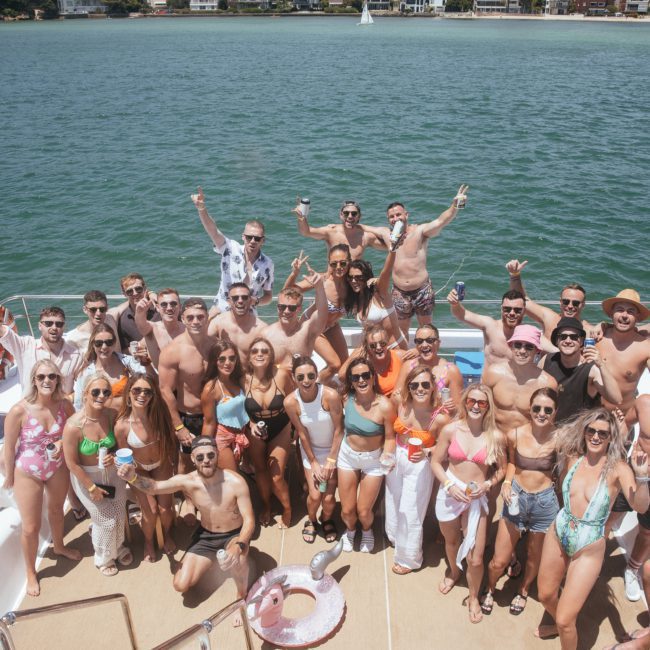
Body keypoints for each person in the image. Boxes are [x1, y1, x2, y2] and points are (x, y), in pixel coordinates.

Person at [535, 408, 649, 649]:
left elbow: (640, 506)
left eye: (604, 434)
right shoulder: (573, 457)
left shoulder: (618, 468)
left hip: (588, 545)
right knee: (545, 595)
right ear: (584, 432)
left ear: (611, 438)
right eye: (592, 431)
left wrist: (641, 478)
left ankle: (563, 627)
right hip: (560, 529)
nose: (596, 437)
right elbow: (553, 430)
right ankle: (559, 625)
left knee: (567, 620)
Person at [116, 436, 254, 624]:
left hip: (233, 535)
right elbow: (155, 488)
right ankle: (213, 559)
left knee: (239, 559)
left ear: (217, 455)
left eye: (210, 455)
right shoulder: (188, 481)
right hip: (206, 536)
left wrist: (238, 546)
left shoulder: (235, 482)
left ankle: (241, 599)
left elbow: (249, 521)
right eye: (200, 457)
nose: (206, 460)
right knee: (180, 585)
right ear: (193, 459)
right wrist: (131, 476)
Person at [2, 361, 81, 596]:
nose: (47, 381)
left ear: (57, 379)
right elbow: (8, 445)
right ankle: (30, 572)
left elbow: (74, 428)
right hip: (28, 470)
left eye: (52, 376)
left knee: (57, 510)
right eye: (41, 377)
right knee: (30, 527)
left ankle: (59, 546)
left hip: (56, 466)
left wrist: (59, 443)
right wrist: (8, 477)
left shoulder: (64, 404)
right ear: (34, 381)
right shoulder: (19, 410)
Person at [482, 388, 560, 617]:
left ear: (555, 412)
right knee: (498, 561)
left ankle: (524, 590)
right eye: (537, 408)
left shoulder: (561, 438)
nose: (542, 413)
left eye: (548, 409)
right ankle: (490, 588)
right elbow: (512, 464)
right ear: (530, 409)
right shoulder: (514, 434)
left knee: (534, 557)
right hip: (516, 498)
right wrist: (506, 484)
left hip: (545, 504)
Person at [431, 384, 505, 624]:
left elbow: (502, 469)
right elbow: (435, 462)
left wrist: (488, 484)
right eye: (471, 401)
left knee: (476, 557)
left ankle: (473, 597)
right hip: (450, 491)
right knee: (451, 541)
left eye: (482, 403)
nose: (475, 406)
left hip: (476, 497)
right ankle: (454, 572)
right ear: (464, 402)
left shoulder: (495, 436)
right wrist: (449, 485)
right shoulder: (450, 430)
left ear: (488, 407)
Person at [366, 186, 468, 336]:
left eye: (398, 215)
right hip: (399, 293)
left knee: (426, 330)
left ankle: (426, 357)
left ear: (406, 215)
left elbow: (441, 221)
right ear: (388, 219)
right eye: (391, 217)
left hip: (422, 290)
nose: (395, 219)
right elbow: (362, 228)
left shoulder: (420, 231)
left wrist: (454, 206)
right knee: (401, 331)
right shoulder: (386, 234)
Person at [63, 373, 131, 576]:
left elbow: (119, 442)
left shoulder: (111, 415)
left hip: (112, 474)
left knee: (119, 513)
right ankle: (103, 557)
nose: (101, 395)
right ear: (85, 394)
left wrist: (112, 455)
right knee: (107, 520)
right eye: (96, 391)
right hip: (87, 478)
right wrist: (91, 488)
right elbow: (71, 463)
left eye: (106, 392)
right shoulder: (73, 426)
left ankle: (117, 548)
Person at [385, 365, 450, 574]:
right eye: (414, 385)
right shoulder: (400, 404)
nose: (420, 389)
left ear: (433, 387)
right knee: (393, 501)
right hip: (396, 457)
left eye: (425, 384)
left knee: (411, 509)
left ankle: (409, 558)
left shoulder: (439, 417)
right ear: (408, 387)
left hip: (420, 463)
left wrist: (428, 451)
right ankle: (395, 537)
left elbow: (447, 448)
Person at [114, 373, 177, 561]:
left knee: (165, 509)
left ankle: (166, 535)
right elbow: (125, 458)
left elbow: (170, 441)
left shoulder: (159, 415)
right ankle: (148, 541)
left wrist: (172, 464)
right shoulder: (122, 426)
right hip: (139, 469)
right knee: (150, 510)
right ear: (128, 394)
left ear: (153, 396)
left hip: (161, 464)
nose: (142, 395)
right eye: (137, 390)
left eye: (147, 392)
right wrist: (131, 477)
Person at [338, 358, 396, 554]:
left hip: (373, 461)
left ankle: (367, 530)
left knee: (363, 511)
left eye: (365, 375)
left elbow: (389, 437)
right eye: (355, 377)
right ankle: (350, 531)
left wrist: (387, 457)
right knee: (347, 510)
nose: (361, 380)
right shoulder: (346, 398)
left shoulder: (385, 406)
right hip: (347, 456)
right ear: (351, 381)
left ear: (373, 378)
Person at [284, 356, 344, 544]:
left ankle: (326, 519)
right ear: (293, 378)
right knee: (315, 495)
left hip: (335, 450)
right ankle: (311, 520)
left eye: (311, 375)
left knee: (328, 499)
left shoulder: (330, 396)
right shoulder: (290, 402)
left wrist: (330, 461)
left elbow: (339, 430)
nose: (306, 381)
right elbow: (302, 434)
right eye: (300, 377)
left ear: (317, 375)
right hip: (312, 451)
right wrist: (314, 462)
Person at [191, 186, 274, 312]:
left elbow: (268, 296)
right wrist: (202, 209)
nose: (252, 241)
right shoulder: (230, 248)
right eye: (249, 237)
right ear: (243, 237)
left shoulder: (267, 264)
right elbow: (213, 231)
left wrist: (255, 301)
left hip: (248, 316)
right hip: (222, 310)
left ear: (263, 240)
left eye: (257, 238)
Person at [159, 298, 213, 479]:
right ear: (183, 318)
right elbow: (165, 390)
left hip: (214, 415)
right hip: (189, 417)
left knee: (213, 459)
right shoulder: (173, 351)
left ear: (207, 318)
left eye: (200, 317)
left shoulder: (216, 346)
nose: (195, 321)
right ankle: (188, 500)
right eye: (190, 318)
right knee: (186, 460)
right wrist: (179, 426)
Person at [243, 337, 294, 528]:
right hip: (255, 429)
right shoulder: (243, 379)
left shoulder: (280, 375)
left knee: (277, 476)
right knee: (261, 471)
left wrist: (295, 428)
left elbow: (292, 400)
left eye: (264, 351)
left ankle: (287, 508)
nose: (260, 354)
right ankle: (266, 505)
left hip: (280, 427)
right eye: (255, 351)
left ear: (271, 355)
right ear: (249, 356)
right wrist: (250, 423)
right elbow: (238, 406)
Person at [283, 246, 351, 385]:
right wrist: (294, 273)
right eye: (334, 263)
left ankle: (326, 384)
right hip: (312, 327)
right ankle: (313, 387)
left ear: (349, 261)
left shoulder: (352, 283)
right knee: (335, 365)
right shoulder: (322, 280)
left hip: (331, 326)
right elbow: (288, 292)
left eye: (343, 263)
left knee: (345, 365)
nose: (338, 267)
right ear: (329, 263)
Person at [542, 316, 621, 424]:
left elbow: (616, 399)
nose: (568, 341)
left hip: (578, 432)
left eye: (574, 337)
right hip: (551, 427)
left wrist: (601, 365)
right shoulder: (547, 360)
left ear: (582, 341)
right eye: (563, 336)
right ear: (557, 340)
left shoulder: (591, 369)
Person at [448, 288, 549, 371]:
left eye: (517, 310)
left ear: (524, 311)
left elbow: (554, 351)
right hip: (489, 386)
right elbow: (462, 314)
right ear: (501, 309)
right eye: (507, 309)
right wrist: (455, 304)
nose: (512, 313)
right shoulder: (490, 326)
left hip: (514, 386)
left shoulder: (530, 334)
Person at [483, 324, 558, 432]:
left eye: (529, 347)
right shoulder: (494, 373)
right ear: (511, 346)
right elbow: (480, 406)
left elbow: (550, 420)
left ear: (537, 350)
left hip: (525, 443)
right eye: (518, 345)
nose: (522, 351)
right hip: (496, 438)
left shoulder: (547, 383)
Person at [0, 306, 83, 396]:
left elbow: (85, 386)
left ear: (64, 327)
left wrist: (69, 399)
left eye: (59, 324)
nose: (54, 327)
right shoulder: (25, 346)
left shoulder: (75, 355)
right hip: (30, 408)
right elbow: (6, 334)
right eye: (48, 323)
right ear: (40, 326)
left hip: (61, 408)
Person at [596, 289, 650, 427]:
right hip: (593, 416)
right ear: (612, 313)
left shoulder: (645, 348)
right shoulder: (597, 338)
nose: (624, 315)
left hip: (623, 421)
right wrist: (601, 325)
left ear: (637, 317)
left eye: (631, 311)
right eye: (620, 310)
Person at [616, 393, 650, 603]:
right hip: (634, 472)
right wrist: (616, 454)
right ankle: (588, 559)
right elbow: (626, 423)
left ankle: (632, 569)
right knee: (610, 515)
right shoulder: (644, 402)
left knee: (647, 533)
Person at [506, 260, 593, 339]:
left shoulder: (589, 331)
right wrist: (515, 275)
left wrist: (603, 324)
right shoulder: (549, 319)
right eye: (566, 302)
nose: (570, 306)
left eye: (576, 303)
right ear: (560, 302)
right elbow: (523, 301)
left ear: (583, 305)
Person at [261, 270, 328, 369]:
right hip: (275, 382)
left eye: (292, 308)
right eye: (282, 307)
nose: (286, 311)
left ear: (299, 309)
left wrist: (319, 287)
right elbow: (259, 365)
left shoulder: (307, 330)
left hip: (302, 383)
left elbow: (322, 313)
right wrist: (281, 368)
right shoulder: (266, 334)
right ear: (277, 307)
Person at [200, 340, 249, 473]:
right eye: (222, 359)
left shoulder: (238, 380)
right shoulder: (211, 389)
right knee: (234, 479)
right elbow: (209, 423)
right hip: (222, 440)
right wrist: (205, 448)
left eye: (232, 358)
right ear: (214, 361)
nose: (227, 363)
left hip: (241, 435)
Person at [73, 324, 147, 411]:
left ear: (114, 343)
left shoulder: (129, 362)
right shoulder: (85, 374)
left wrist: (145, 362)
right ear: (93, 345)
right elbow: (79, 406)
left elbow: (148, 380)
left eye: (109, 342)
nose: (104, 347)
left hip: (128, 418)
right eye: (99, 343)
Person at [345, 246, 407, 349]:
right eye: (350, 277)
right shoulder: (356, 300)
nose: (354, 281)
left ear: (366, 277)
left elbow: (386, 272)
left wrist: (392, 251)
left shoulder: (379, 294)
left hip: (394, 348)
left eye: (359, 277)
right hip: (374, 350)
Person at [393, 323, 463, 412]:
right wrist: (399, 398)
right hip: (411, 420)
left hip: (438, 422)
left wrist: (452, 406)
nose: (424, 345)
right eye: (419, 341)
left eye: (430, 340)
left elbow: (460, 408)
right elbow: (393, 400)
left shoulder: (451, 371)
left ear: (438, 343)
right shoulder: (408, 367)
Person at [293, 198, 387, 260]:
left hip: (355, 283)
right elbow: (306, 232)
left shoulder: (365, 237)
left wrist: (364, 227)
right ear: (341, 215)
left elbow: (390, 246)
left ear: (359, 216)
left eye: (354, 214)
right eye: (346, 213)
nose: (350, 216)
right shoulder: (330, 232)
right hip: (335, 282)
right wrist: (302, 218)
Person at [339, 324, 407, 397]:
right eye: (372, 345)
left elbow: (418, 364)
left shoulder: (399, 356)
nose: (378, 347)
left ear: (388, 342)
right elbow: (341, 376)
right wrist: (358, 351)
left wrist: (417, 351)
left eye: (382, 343)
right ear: (367, 347)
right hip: (375, 403)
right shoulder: (364, 362)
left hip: (395, 401)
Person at [207, 282, 266, 364]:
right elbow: (202, 342)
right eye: (235, 298)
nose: (240, 301)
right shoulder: (218, 322)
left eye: (244, 297)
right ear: (229, 301)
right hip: (225, 374)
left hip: (248, 375)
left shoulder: (261, 328)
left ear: (250, 301)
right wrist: (208, 319)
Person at [134, 287, 185, 370]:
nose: (169, 308)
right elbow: (141, 325)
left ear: (180, 307)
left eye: (173, 304)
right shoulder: (152, 328)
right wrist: (140, 312)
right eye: (164, 304)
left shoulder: (187, 331)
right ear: (157, 308)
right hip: (157, 376)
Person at [107, 273, 160, 353]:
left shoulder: (159, 310)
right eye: (129, 291)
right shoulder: (123, 321)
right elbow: (122, 351)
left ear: (145, 289)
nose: (135, 293)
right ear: (124, 294)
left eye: (138, 289)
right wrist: (139, 347)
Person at [64, 290, 117, 355]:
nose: (98, 313)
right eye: (93, 310)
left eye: (102, 309)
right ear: (85, 310)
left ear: (107, 308)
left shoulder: (110, 319)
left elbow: (121, 308)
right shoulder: (74, 338)